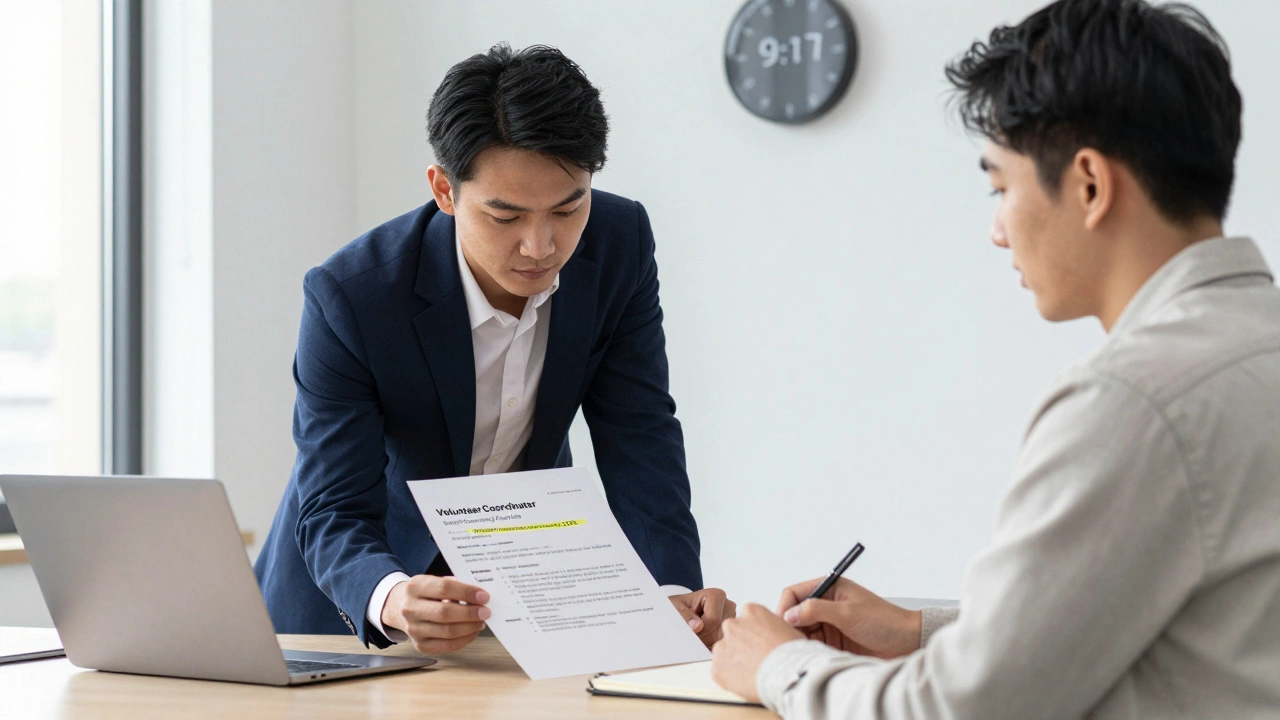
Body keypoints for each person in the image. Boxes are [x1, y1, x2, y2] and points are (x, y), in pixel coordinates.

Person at [710, 0, 1280, 717]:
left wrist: (781, 667)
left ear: (1090, 186)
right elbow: (1183, 630)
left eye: (1000, 187)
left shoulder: (1135, 399)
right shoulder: (1254, 345)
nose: (997, 231)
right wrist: (921, 631)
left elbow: (962, 707)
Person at [254, 43, 734, 654]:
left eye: (568, 207)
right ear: (444, 190)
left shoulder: (620, 244)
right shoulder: (353, 297)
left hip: (524, 593)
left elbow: (639, 435)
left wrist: (670, 588)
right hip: (352, 602)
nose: (541, 245)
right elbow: (332, 504)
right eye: (505, 217)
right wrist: (391, 596)